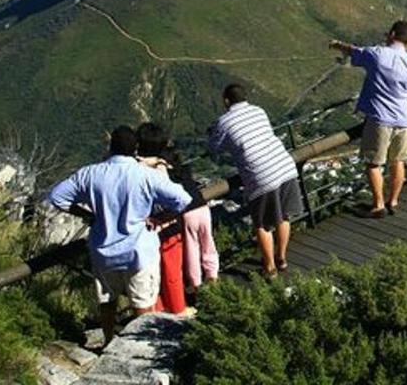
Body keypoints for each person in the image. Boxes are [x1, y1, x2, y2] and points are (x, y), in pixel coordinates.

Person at [48, 125, 192, 341]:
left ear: (110, 147)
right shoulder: (146, 175)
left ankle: (108, 340)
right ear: (135, 149)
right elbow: (183, 200)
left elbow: (57, 197)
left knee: (107, 301)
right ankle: (142, 346)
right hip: (139, 251)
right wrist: (161, 219)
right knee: (143, 305)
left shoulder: (90, 173)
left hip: (103, 250)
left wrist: (86, 215)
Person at [330, 20, 407, 218]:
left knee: (374, 164)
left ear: (391, 34)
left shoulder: (377, 54)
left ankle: (378, 204)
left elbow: (355, 52)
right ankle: (394, 200)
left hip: (380, 119)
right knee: (398, 161)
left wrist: (338, 45)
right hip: (404, 120)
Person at [207, 83, 304, 277]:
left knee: (262, 224)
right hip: (284, 165)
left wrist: (211, 132)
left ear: (226, 101)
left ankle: (269, 268)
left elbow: (214, 147)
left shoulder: (224, 122)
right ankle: (281, 258)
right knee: (283, 216)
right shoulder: (259, 111)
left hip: (261, 176)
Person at [137, 123, 217, 309]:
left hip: (185, 213)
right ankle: (213, 278)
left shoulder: (154, 168)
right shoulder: (176, 163)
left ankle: (196, 287)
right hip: (203, 208)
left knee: (192, 251)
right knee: (208, 246)